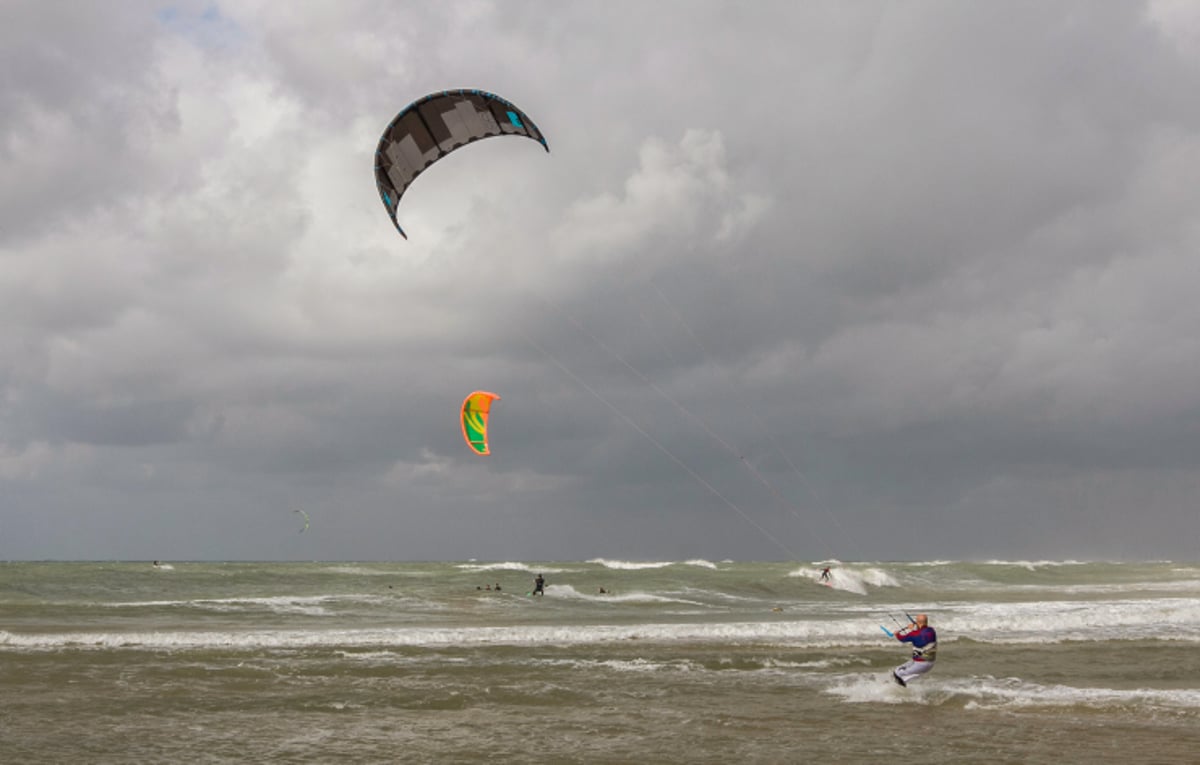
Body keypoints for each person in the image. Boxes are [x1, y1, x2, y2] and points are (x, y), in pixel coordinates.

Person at [891, 613, 937, 687]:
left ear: (918, 622)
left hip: (921, 664)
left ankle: (901, 691)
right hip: (930, 663)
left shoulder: (914, 634)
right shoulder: (931, 631)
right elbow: (921, 634)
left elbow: (902, 639)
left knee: (897, 673)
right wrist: (914, 628)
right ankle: (905, 685)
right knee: (900, 671)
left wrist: (897, 634)